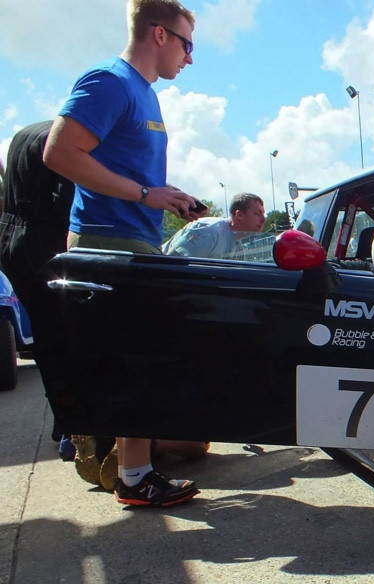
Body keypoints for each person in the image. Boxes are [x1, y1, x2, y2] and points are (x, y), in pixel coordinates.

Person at [43, 0, 208, 507]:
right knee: (139, 358)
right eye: (187, 44)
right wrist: (143, 195)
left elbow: (127, 173)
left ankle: (124, 461)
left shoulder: (143, 95)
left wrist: (165, 193)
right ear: (159, 34)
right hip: (109, 243)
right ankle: (134, 477)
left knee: (141, 358)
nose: (189, 57)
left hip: (135, 240)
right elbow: (59, 152)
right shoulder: (110, 81)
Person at [0, 120, 78, 460]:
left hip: (13, 240)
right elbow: (67, 202)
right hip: (46, 242)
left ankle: (65, 423)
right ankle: (73, 428)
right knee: (69, 336)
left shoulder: (24, 135)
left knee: (48, 340)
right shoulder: (63, 141)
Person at [163, 192, 267, 257]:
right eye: (257, 214)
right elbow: (172, 266)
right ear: (239, 215)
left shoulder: (238, 249)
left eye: (263, 213)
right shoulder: (208, 233)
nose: (264, 219)